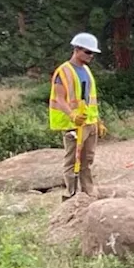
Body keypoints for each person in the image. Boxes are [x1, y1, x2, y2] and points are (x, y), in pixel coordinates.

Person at [49, 32, 106, 199]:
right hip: (73, 124)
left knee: (87, 159)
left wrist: (98, 121)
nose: (91, 56)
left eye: (92, 53)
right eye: (88, 52)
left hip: (89, 122)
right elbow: (59, 98)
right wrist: (72, 115)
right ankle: (71, 194)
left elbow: (90, 99)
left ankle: (88, 191)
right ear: (76, 49)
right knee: (72, 160)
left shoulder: (86, 71)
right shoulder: (64, 71)